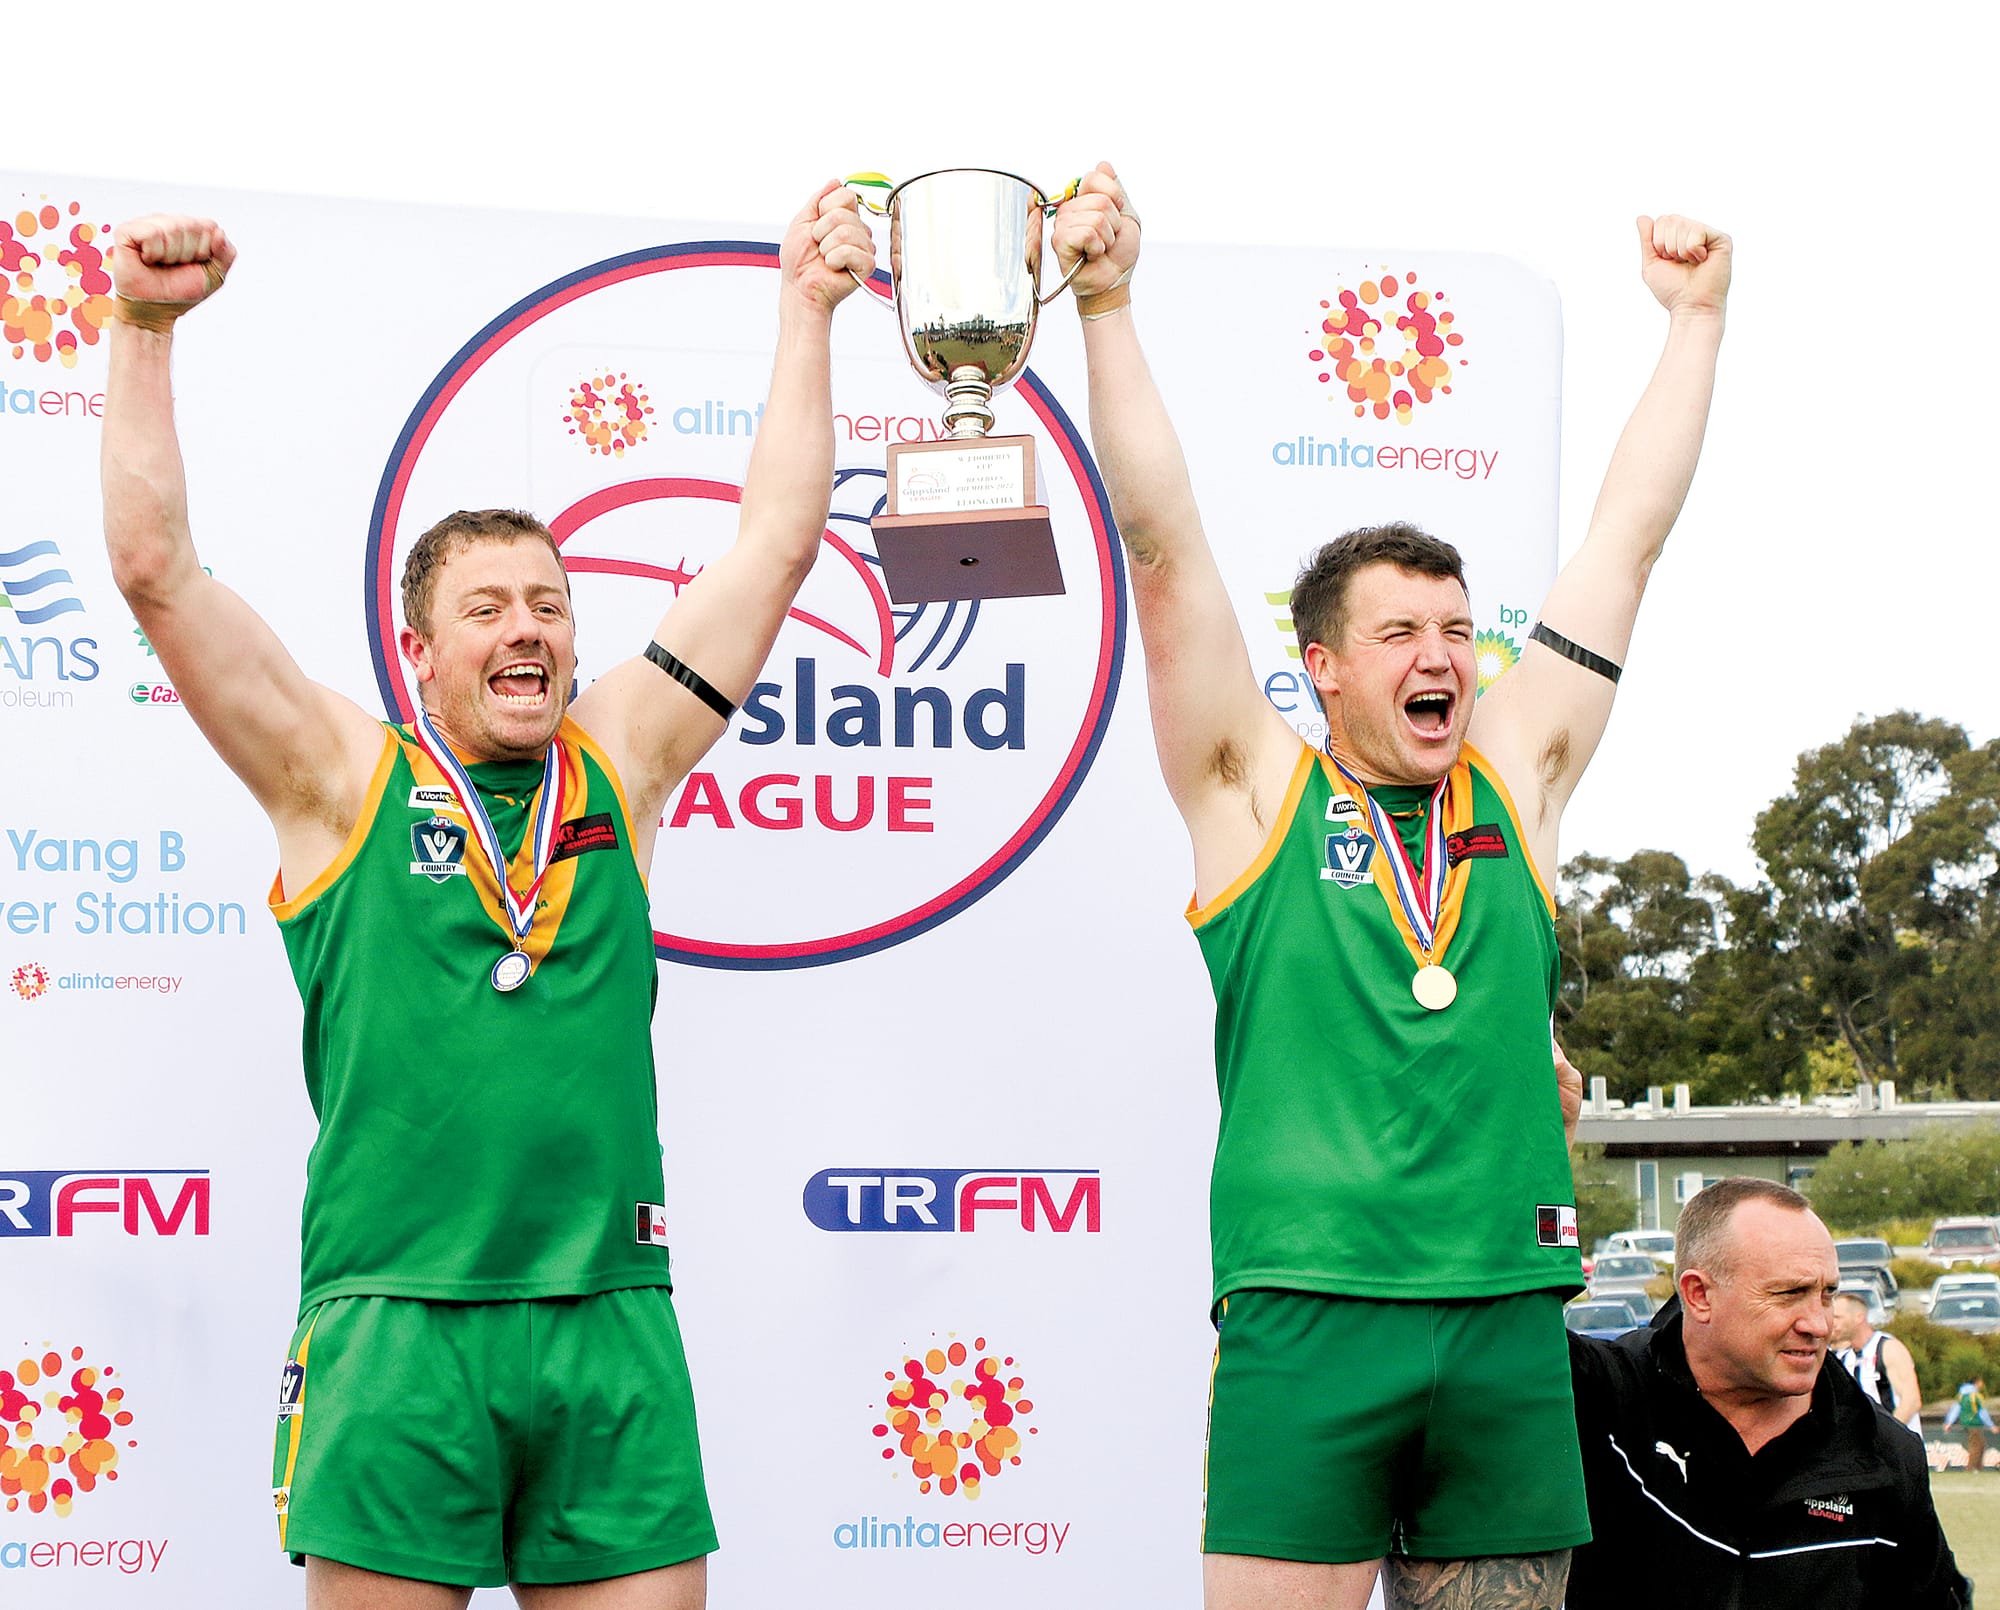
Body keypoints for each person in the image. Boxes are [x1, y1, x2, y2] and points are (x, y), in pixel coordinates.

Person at [100, 188, 876, 1608]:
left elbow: (772, 541)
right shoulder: (339, 779)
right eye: (489, 608)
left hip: (608, 1321)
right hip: (399, 1325)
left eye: (551, 604)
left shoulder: (625, 760)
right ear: (418, 648)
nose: (528, 628)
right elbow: (158, 572)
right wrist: (144, 331)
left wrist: (805, 309)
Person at [1051, 163, 1729, 1608]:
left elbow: (1626, 543)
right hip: (1309, 1315)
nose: (1443, 655)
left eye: (1456, 629)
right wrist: (1106, 303)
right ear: (1326, 668)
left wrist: (1695, 323)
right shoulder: (1255, 791)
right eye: (1401, 631)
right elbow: (1161, 546)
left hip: (1499, 1313)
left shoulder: (1517, 778)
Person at [1558, 1175, 1969, 1609]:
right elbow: (1500, 1337)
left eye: (1827, 1294)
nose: (1819, 1324)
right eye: (1790, 1293)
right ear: (1699, 1295)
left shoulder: (1884, 1456)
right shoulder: (1602, 1398)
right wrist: (1546, 1144)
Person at [1829, 1288, 1923, 1433]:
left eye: (1837, 1317)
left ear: (1859, 1317)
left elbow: (1911, 1401)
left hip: (1897, 1448)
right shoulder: (1847, 1357)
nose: (1832, 1323)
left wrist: (1886, 1437)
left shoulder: (1888, 1348)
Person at [1944, 1377, 1994, 1471]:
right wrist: (1991, 1425)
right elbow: (1982, 1412)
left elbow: (1955, 1409)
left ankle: (1978, 1468)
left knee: (1981, 1445)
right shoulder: (1975, 1396)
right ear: (1977, 1383)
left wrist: (1949, 1422)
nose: (1982, 1385)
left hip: (1966, 1422)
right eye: (1981, 1382)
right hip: (1974, 1423)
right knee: (1976, 1446)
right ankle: (1971, 1469)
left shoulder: (1961, 1395)